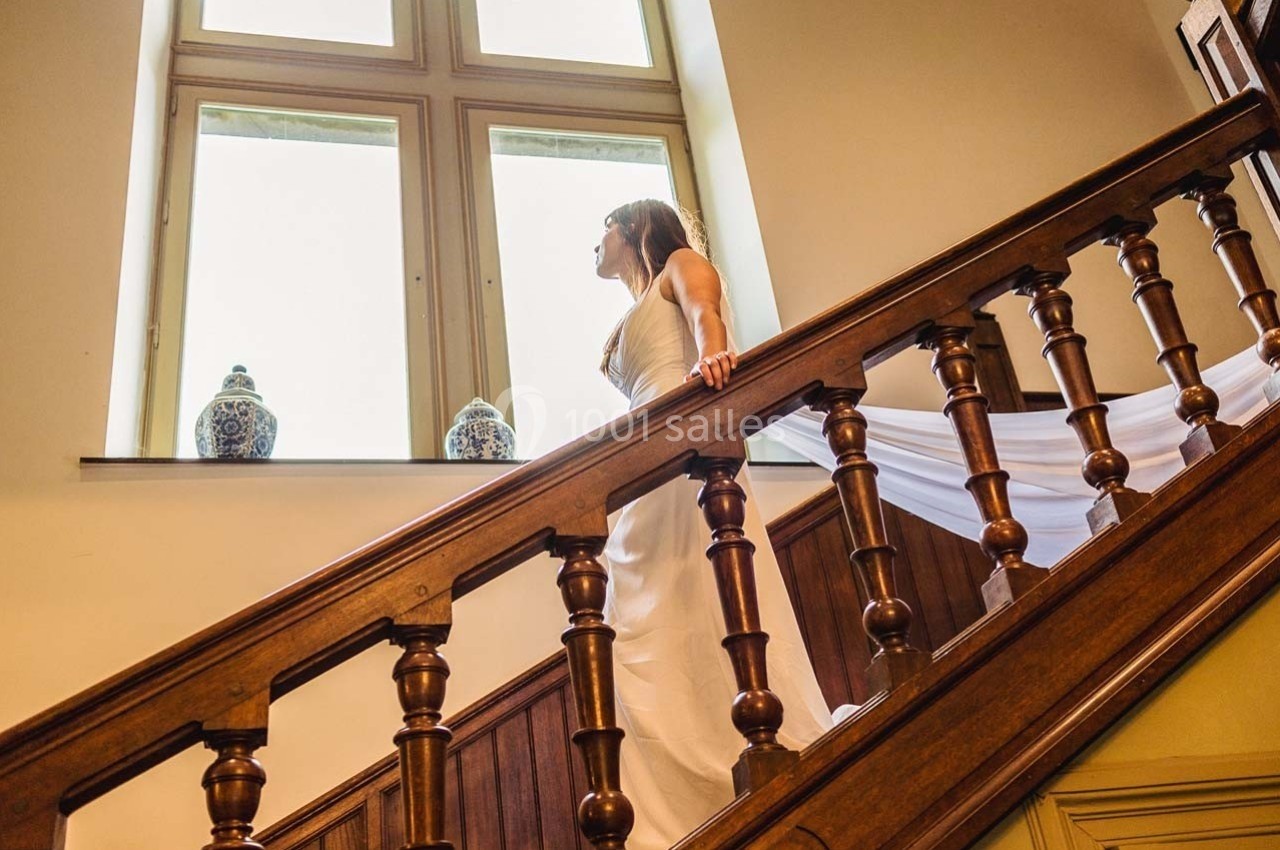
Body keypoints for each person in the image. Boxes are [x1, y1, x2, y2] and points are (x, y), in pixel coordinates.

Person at [592, 199, 845, 849]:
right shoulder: (632, 302)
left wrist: (714, 358)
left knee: (705, 593)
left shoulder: (679, 261)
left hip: (685, 443)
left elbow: (708, 313)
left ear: (628, 230)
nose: (592, 246)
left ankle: (731, 755)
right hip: (638, 462)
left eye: (600, 232)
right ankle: (671, 800)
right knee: (642, 622)